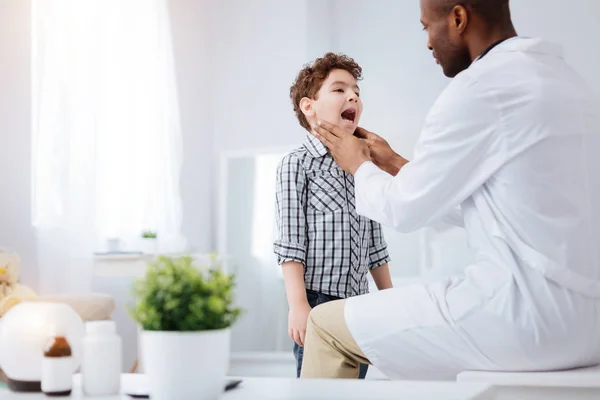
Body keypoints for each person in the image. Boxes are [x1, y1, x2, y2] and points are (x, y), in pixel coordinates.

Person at [301, 0, 600, 380]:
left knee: (325, 324)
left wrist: (357, 163)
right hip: (590, 324)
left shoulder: (478, 90)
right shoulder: (569, 82)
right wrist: (392, 162)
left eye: (427, 27)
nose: (427, 42)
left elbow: (404, 211)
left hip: (527, 320)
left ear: (458, 18)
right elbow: (485, 204)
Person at [273, 52, 394, 378]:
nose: (352, 95)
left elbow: (374, 240)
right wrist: (299, 306)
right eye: (339, 89)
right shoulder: (297, 165)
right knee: (321, 389)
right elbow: (290, 243)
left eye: (355, 90)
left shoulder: (362, 165)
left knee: (353, 386)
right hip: (318, 303)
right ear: (308, 107)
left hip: (359, 305)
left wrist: (389, 299)